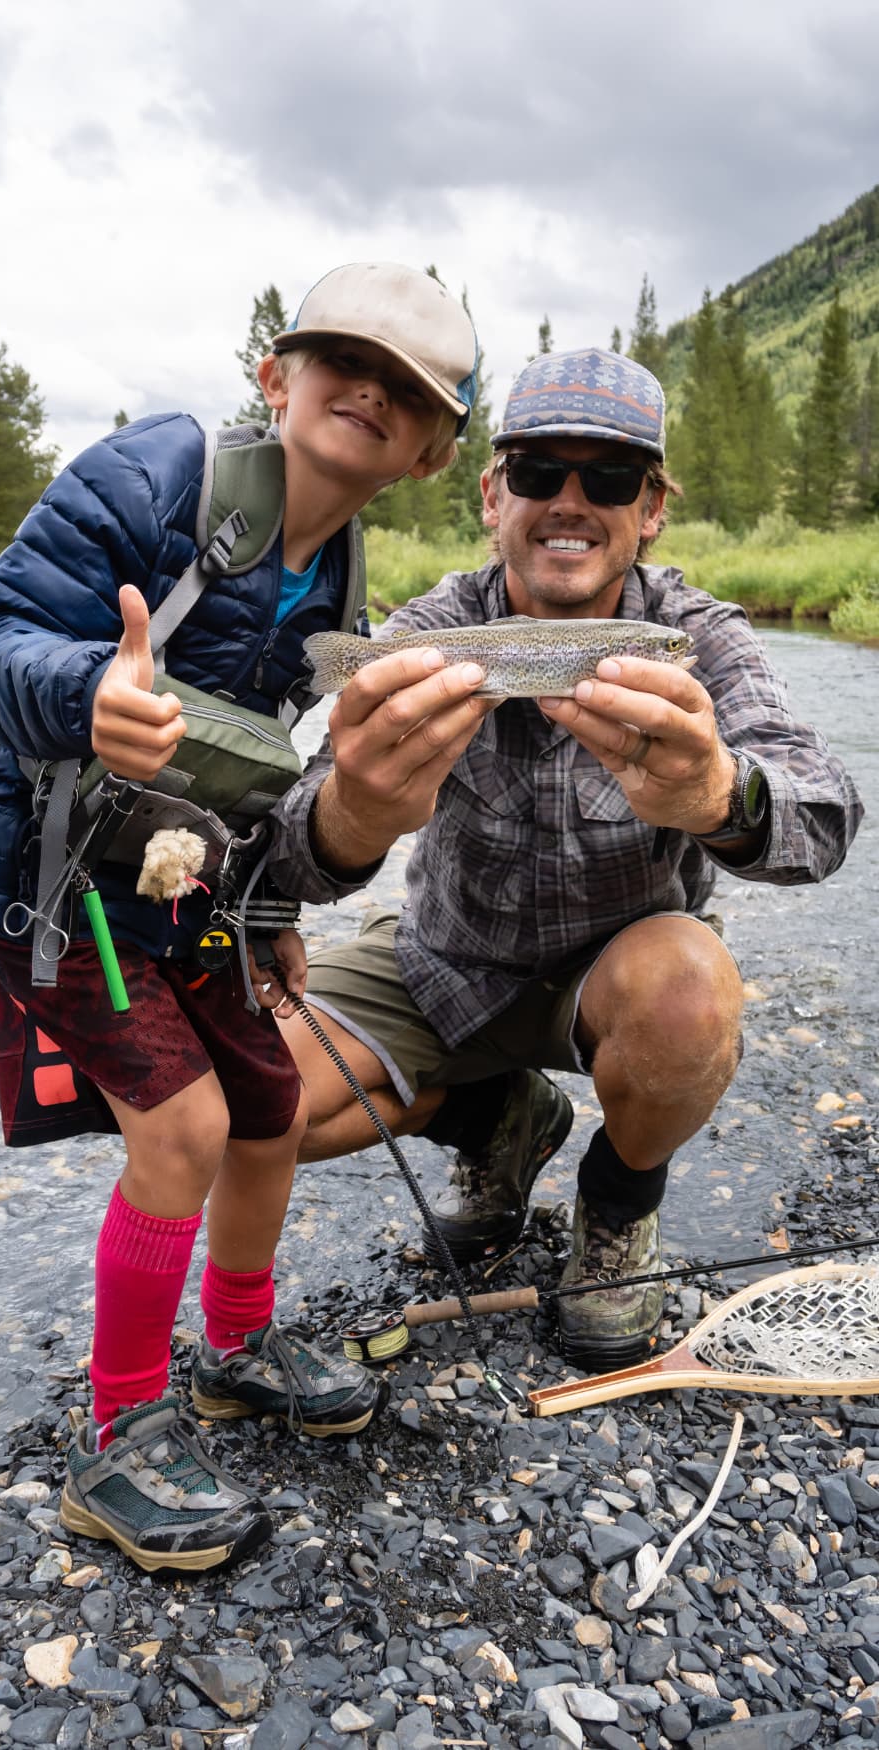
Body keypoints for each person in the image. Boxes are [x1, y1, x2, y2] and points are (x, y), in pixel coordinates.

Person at [0, 262, 480, 1573]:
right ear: (276, 376)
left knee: (273, 1099)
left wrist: (275, 904)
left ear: (429, 452)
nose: (369, 392)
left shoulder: (338, 584)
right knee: (186, 1126)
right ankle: (116, 1434)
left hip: (176, 872)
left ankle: (233, 1347)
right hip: (37, 864)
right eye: (344, 359)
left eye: (408, 389)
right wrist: (87, 694)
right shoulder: (153, 476)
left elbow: (256, 769)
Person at [269, 346, 864, 1371]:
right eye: (540, 473)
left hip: (620, 977)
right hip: (441, 961)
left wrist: (723, 796)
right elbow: (281, 847)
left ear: (654, 506)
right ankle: (498, 1119)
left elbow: (829, 813)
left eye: (611, 478)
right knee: (246, 1096)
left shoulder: (694, 637)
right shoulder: (427, 630)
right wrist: (350, 814)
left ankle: (617, 1203)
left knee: (689, 990)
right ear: (493, 493)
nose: (570, 503)